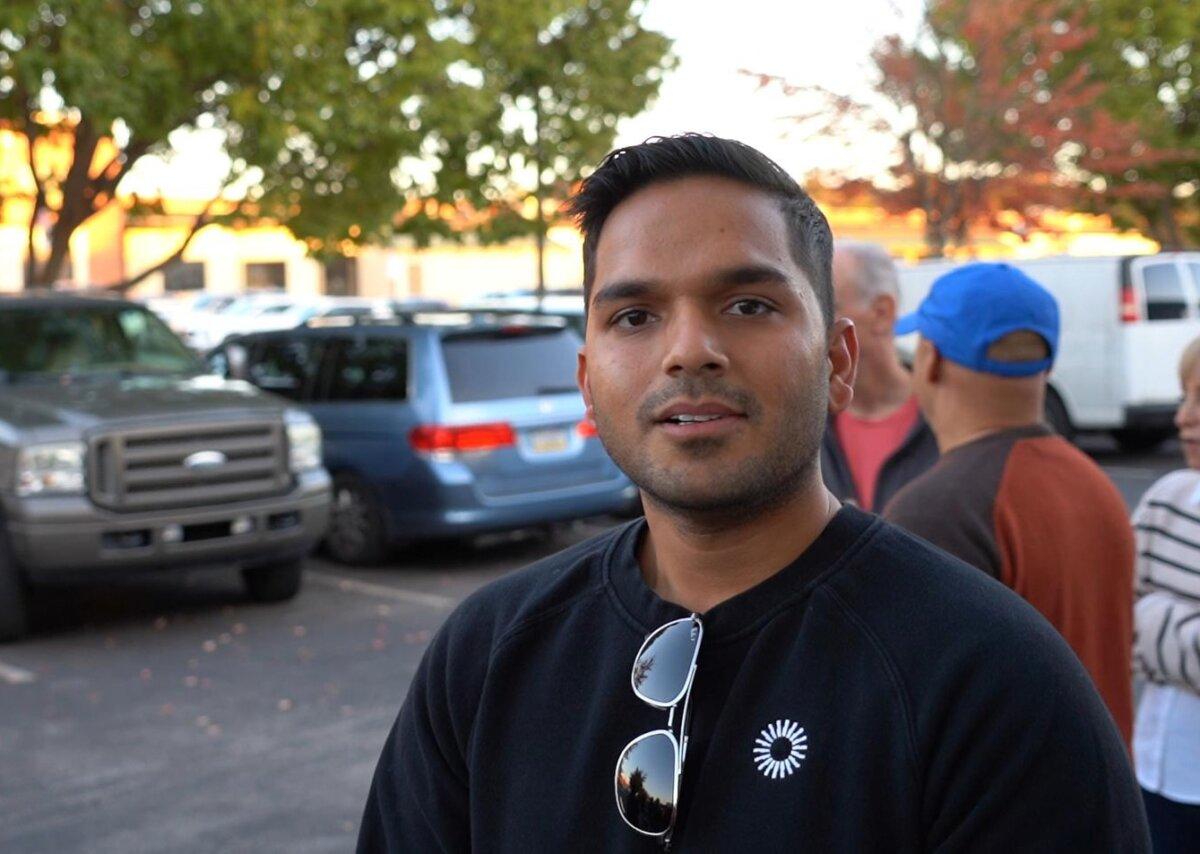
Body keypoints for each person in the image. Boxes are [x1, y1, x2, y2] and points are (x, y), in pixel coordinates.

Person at [357, 135, 1147, 852]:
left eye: (747, 305)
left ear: (839, 361)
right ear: (588, 383)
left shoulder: (991, 682)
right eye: (634, 316)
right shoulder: (488, 656)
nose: (689, 349)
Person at [883, 263, 1135, 748]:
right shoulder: (1095, 484)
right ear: (1047, 362)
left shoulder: (937, 508)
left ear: (931, 360)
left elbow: (910, 711)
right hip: (1107, 799)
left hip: (1007, 814)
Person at [1130, 334, 1200, 852]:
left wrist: (1150, 614)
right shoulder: (1167, 499)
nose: (1183, 418)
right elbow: (1119, 618)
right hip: (1156, 770)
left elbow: (1136, 620)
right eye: (1183, 397)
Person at [821, 242, 938, 511]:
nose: (812, 323)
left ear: (882, 312)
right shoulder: (802, 425)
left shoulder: (949, 421)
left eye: (827, 307)